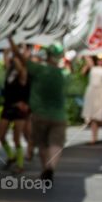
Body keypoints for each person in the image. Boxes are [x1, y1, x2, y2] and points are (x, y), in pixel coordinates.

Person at [14, 42, 68, 187]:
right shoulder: (63, 74)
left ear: (48, 55)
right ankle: (51, 168)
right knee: (56, 143)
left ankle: (46, 168)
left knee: (43, 144)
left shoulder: (39, 70)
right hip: (59, 116)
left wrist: (12, 42)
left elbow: (21, 58)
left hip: (40, 115)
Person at [0, 38, 31, 172]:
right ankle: (11, 156)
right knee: (1, 136)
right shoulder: (10, 71)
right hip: (8, 106)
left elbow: (19, 58)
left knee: (16, 138)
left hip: (20, 109)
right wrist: (8, 50)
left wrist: (19, 48)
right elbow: (7, 57)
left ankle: (20, 164)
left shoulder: (23, 74)